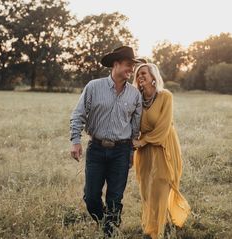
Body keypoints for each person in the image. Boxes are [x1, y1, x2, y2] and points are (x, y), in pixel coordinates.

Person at [70, 46, 142, 237]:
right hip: (97, 149)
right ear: (115, 64)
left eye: (133, 66)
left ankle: (110, 232)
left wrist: (132, 152)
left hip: (122, 150)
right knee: (91, 197)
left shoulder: (135, 94)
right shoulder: (94, 87)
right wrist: (75, 141)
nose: (131, 70)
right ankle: (105, 224)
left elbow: (135, 127)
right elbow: (78, 115)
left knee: (115, 199)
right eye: (128, 65)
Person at [132, 63, 190, 239]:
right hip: (144, 151)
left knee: (161, 184)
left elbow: (163, 127)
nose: (140, 76)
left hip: (163, 145)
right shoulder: (136, 99)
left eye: (143, 73)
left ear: (153, 77)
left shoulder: (166, 96)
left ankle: (157, 230)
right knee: (146, 189)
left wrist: (142, 141)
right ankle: (154, 222)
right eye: (137, 74)